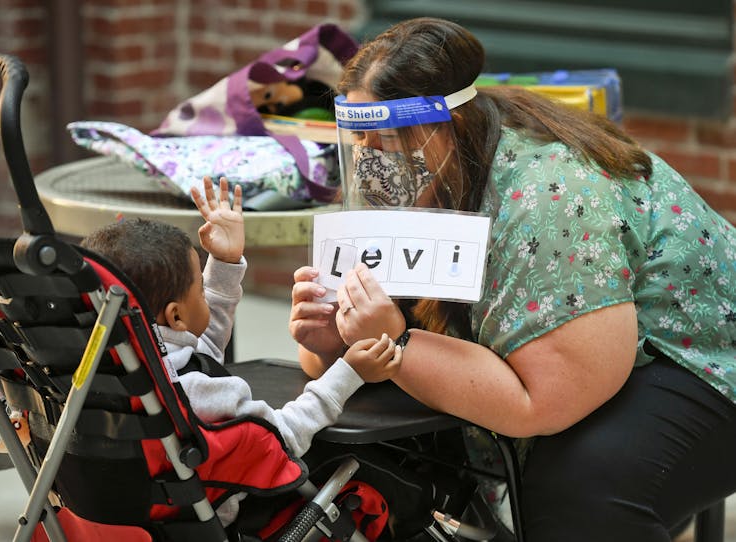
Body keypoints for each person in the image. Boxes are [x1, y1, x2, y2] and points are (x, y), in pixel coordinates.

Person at [288, 17, 736, 542]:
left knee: (578, 493)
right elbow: (382, 342)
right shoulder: (439, 172)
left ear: (444, 125)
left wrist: (395, 341)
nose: (368, 160)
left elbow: (541, 401)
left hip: (699, 357)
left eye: (383, 137)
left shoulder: (550, 195)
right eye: (356, 137)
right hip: (605, 356)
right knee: (375, 441)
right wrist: (335, 340)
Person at [81, 175, 403, 530]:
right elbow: (282, 439)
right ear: (175, 316)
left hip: (118, 515)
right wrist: (349, 372)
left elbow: (198, 351)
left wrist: (224, 261)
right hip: (213, 514)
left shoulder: (106, 372)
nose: (207, 296)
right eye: (201, 292)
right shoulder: (202, 392)